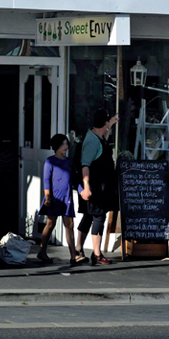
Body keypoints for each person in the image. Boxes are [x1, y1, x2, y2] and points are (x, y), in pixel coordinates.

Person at [75, 109, 118, 266]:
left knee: (88, 215)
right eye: (108, 122)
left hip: (99, 186)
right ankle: (97, 254)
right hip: (95, 187)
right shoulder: (92, 141)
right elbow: (85, 165)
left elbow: (104, 141)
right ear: (104, 123)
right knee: (99, 217)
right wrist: (86, 187)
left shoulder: (96, 136)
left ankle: (79, 249)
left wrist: (111, 125)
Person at [36, 134, 86, 267]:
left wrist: (82, 191)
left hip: (67, 197)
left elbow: (75, 180)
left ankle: (73, 255)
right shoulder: (50, 161)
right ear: (56, 146)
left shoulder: (69, 161)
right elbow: (46, 180)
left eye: (66, 144)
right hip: (54, 197)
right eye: (63, 144)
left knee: (69, 225)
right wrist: (47, 197)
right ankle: (42, 251)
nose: (66, 147)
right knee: (50, 223)